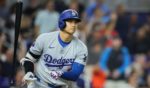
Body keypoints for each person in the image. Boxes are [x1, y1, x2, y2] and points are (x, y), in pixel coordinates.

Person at [20, 9, 88, 88]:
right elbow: (29, 59)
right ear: (61, 22)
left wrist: (60, 73)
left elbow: (75, 75)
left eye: (75, 22)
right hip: (39, 84)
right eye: (70, 21)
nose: (73, 25)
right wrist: (29, 72)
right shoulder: (44, 38)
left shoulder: (81, 47)